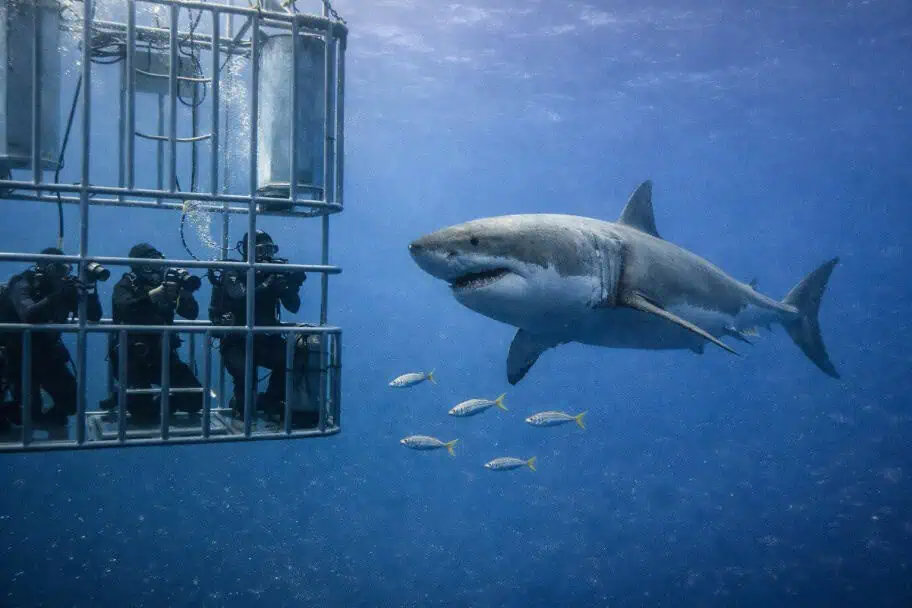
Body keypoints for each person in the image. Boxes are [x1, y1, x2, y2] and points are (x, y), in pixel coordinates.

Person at [208, 230, 312, 426]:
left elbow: (294, 306)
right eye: (261, 250)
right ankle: (243, 404)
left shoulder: (273, 273)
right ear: (247, 251)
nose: (266, 255)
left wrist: (287, 288)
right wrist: (267, 283)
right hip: (236, 341)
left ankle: (271, 401)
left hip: (265, 340)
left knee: (295, 356)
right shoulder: (234, 270)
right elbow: (240, 296)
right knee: (244, 371)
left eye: (270, 250)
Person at [0, 248, 103, 438]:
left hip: (48, 353)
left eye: (66, 268)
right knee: (29, 411)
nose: (62, 274)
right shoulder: (22, 283)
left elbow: (94, 316)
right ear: (42, 268)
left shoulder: (64, 289)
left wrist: (89, 289)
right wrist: (58, 297)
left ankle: (48, 419)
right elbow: (29, 315)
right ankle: (10, 413)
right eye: (57, 268)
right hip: (19, 354)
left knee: (74, 401)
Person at [102, 243, 203, 424]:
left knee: (196, 400)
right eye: (150, 265)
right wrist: (152, 296)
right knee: (142, 416)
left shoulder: (168, 287)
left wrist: (185, 294)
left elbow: (191, 314)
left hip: (162, 354)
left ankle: (147, 402)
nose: (156, 270)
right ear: (138, 266)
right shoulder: (125, 285)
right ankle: (131, 400)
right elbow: (124, 309)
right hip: (132, 356)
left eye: (159, 263)